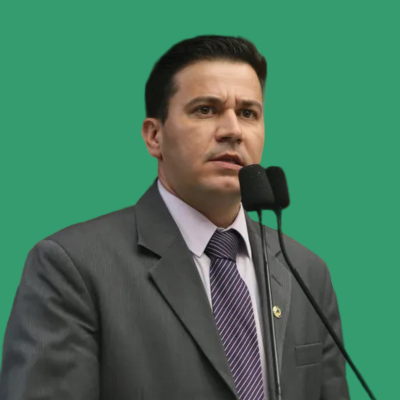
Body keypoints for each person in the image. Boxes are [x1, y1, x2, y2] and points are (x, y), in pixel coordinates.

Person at [0, 35, 350, 400]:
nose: (233, 130)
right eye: (206, 110)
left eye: (248, 113)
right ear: (154, 136)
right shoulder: (72, 267)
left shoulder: (306, 272)